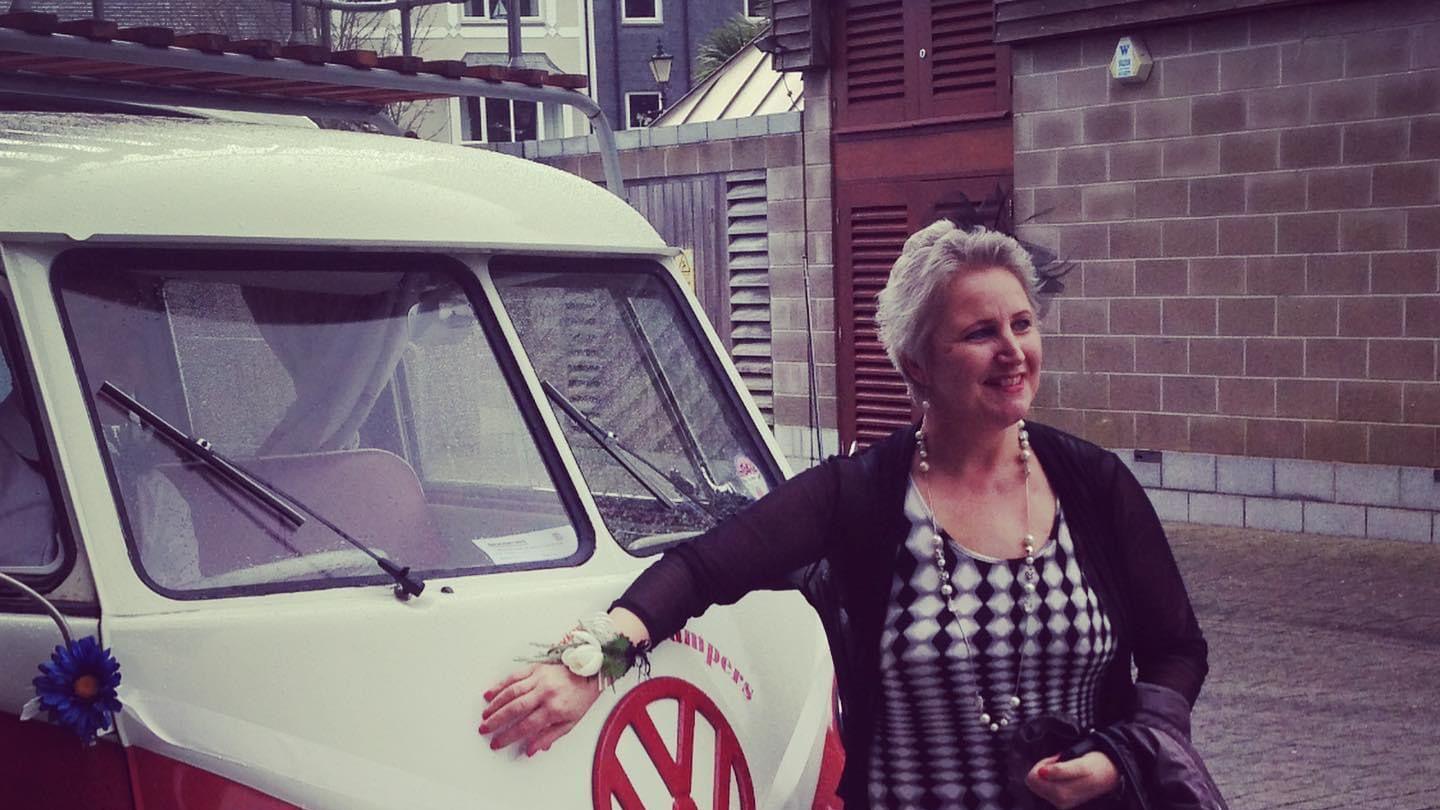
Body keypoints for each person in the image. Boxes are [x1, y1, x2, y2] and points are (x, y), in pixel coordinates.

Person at [479, 221, 1210, 810]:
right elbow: (705, 565)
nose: (1013, 351)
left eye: (1022, 324)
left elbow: (1176, 649)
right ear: (918, 364)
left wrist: (1125, 755)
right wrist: (591, 663)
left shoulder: (1094, 485)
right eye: (980, 333)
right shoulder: (859, 496)